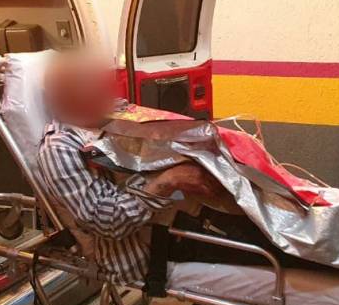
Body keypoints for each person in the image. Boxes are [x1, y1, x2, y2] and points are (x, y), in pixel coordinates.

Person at [37, 52, 313, 284]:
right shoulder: (60, 148)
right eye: (89, 82)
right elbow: (106, 222)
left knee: (297, 215)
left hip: (198, 209)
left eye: (101, 79)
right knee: (292, 251)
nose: (106, 88)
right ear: (62, 98)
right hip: (160, 243)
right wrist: (169, 181)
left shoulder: (119, 113)